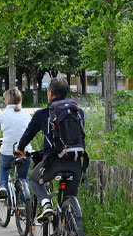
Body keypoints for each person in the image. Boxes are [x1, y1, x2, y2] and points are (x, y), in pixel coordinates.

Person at [14, 77, 88, 221]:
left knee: (34, 179)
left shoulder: (42, 114)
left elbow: (28, 134)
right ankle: (71, 231)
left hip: (52, 163)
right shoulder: (78, 112)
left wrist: (19, 150)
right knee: (70, 198)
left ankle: (46, 204)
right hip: (76, 163)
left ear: (51, 93)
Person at [0, 89, 32, 199]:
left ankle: (3, 186)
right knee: (23, 178)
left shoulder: (1, 116)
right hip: (25, 152)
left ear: (7, 101)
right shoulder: (27, 115)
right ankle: (25, 207)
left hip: (8, 151)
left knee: (4, 167)